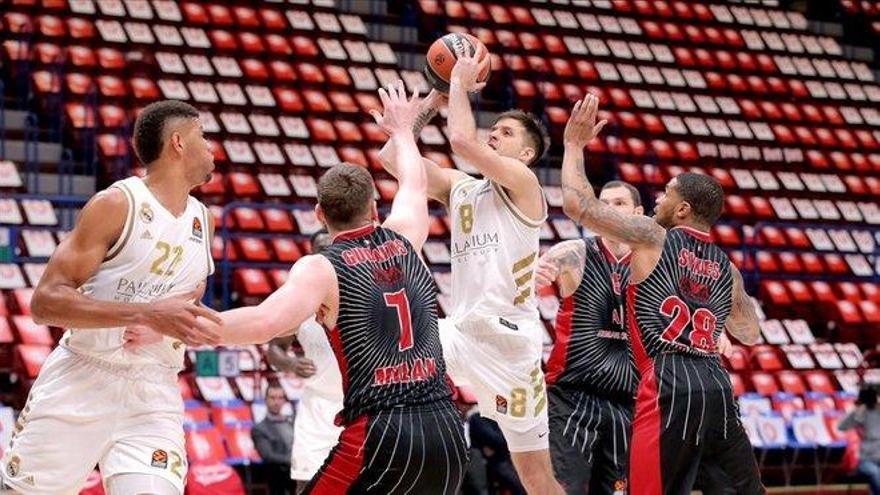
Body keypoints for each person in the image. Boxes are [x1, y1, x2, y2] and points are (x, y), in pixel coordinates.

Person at [210, 82, 468, 494]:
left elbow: (261, 324)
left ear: (318, 214)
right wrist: (402, 131)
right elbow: (414, 184)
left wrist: (171, 326)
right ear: (373, 208)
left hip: (382, 431)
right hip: (445, 427)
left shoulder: (322, 268)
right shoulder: (406, 236)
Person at [0, 100, 222, 494]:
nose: (211, 148)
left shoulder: (202, 219)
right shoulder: (117, 204)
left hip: (153, 388)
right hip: (84, 377)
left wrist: (165, 324)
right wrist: (146, 314)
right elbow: (45, 302)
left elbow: (187, 296)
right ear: (178, 143)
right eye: (203, 136)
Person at [377, 49, 563, 494]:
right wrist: (433, 100)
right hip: (459, 333)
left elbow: (463, 142)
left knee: (535, 476)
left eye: (504, 132)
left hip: (509, 344)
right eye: (493, 129)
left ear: (527, 151)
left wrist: (458, 83)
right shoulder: (462, 188)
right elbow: (391, 157)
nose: (494, 136)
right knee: (386, 357)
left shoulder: (524, 185)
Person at [559, 95, 764, 494]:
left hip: (669, 378)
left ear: (683, 209)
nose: (658, 197)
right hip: (717, 383)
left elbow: (577, 204)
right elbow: (750, 332)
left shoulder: (654, 237)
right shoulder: (728, 267)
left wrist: (572, 146)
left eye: (667, 192)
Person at [536, 181, 641, 495]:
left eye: (619, 203)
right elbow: (536, 273)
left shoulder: (653, 266)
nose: (608, 208)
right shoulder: (574, 253)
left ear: (638, 212)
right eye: (603, 202)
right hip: (574, 399)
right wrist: (535, 276)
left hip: (627, 401)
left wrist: (715, 334)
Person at [265, 230, 344, 493]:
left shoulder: (359, 291)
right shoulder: (299, 301)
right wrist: (290, 365)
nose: (326, 255)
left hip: (360, 403)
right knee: (307, 485)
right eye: (320, 249)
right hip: (317, 405)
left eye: (330, 248)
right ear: (312, 255)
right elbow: (274, 350)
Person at [252, 384, 296, 495]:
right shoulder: (260, 428)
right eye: (272, 398)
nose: (276, 402)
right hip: (279, 476)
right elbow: (268, 456)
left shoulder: (293, 423)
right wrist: (293, 461)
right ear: (266, 399)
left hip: (298, 473)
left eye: (280, 398)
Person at [839, 387, 880, 494]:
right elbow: (841, 426)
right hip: (865, 460)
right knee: (874, 472)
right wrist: (858, 411)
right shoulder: (858, 416)